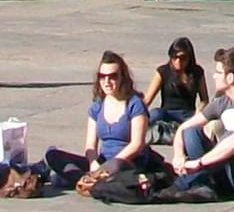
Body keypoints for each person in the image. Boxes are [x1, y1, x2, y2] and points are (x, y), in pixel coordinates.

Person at [164, 47, 234, 200]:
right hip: (227, 168)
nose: (213, 76)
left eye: (218, 73)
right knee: (191, 132)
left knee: (231, 137)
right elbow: (183, 128)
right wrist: (178, 155)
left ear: (230, 78)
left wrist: (199, 163)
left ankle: (192, 182)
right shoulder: (221, 102)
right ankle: (201, 184)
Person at [40, 52, 151, 194]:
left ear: (122, 77)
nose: (107, 81)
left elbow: (137, 144)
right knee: (53, 155)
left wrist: (109, 165)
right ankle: (91, 181)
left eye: (112, 76)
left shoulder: (134, 104)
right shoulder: (98, 105)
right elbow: (90, 146)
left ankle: (86, 182)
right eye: (102, 76)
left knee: (115, 166)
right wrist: (93, 163)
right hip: (102, 162)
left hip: (126, 162)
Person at [144, 39, 206, 135]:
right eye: (174, 57)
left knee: (201, 123)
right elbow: (147, 100)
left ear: (189, 57)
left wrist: (199, 111)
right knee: (155, 114)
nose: (178, 61)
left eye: (182, 58)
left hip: (187, 114)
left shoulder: (197, 72)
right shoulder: (163, 71)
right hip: (167, 113)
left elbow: (204, 99)